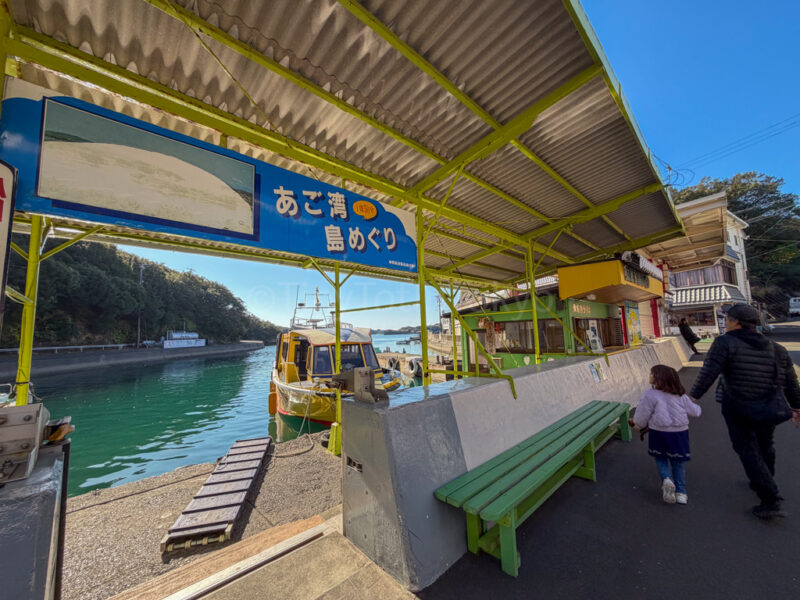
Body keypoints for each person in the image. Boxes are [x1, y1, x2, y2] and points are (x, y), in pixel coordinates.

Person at [689, 303, 800, 519]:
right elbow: (791, 382)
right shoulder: (777, 348)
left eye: (727, 319)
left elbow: (708, 372)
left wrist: (691, 398)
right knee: (765, 444)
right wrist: (797, 406)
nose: (724, 323)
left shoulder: (725, 343)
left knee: (747, 449)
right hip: (770, 408)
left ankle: (769, 498)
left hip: (738, 406)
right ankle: (765, 477)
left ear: (736, 322)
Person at [633, 364, 702, 505]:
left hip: (658, 432)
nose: (650, 376)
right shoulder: (680, 395)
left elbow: (642, 415)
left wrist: (637, 425)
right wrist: (694, 403)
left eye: (652, 373)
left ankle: (667, 479)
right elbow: (696, 412)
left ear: (658, 377)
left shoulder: (651, 394)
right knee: (678, 463)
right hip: (679, 433)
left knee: (661, 457)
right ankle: (681, 493)